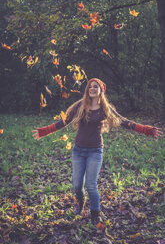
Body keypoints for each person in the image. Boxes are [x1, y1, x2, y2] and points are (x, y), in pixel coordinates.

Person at [32, 78, 163, 225]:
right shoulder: (80, 106)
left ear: (101, 90)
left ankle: (95, 214)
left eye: (96, 87)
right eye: (90, 86)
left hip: (95, 151)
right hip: (78, 151)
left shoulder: (105, 108)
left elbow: (124, 121)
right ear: (87, 90)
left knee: (91, 185)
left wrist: (146, 130)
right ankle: (80, 202)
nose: (92, 89)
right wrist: (44, 131)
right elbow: (63, 122)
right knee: (77, 185)